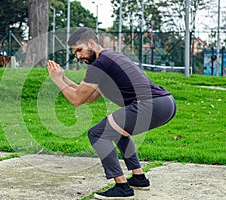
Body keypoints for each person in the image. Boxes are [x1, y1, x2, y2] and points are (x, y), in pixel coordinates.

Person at [47, 27, 176, 200]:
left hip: (151, 105)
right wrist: (62, 78)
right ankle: (139, 178)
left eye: (79, 50)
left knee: (98, 133)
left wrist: (56, 80)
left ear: (91, 43)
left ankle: (122, 187)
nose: (78, 56)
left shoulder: (100, 65)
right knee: (117, 130)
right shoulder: (110, 59)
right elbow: (88, 96)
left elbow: (76, 100)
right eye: (75, 52)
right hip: (165, 103)